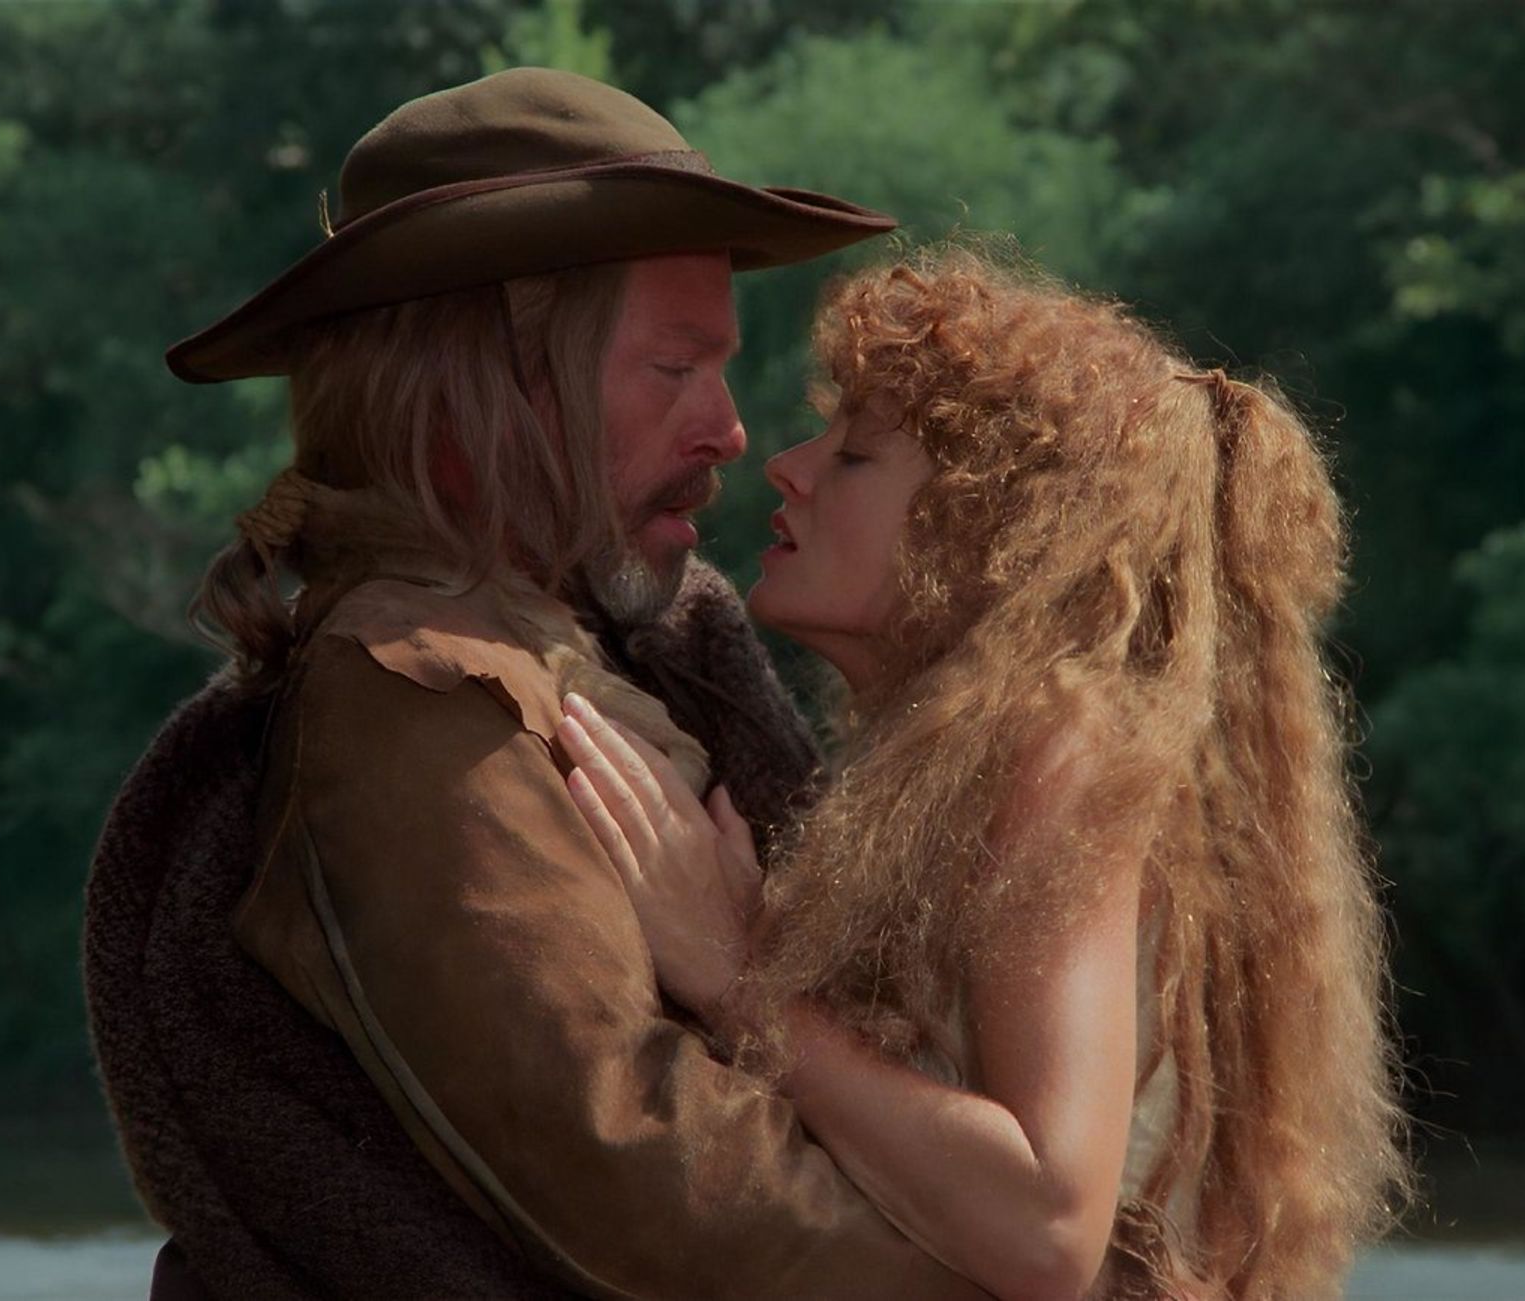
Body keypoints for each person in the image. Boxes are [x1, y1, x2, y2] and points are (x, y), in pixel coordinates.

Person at [83, 69, 993, 1298]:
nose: (730, 431)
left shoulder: (586, 654)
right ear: (493, 383)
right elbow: (657, 1191)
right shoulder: (415, 703)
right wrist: (1033, 1272)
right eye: (673, 368)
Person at [557, 246, 1410, 1299]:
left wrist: (733, 976)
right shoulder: (967, 756)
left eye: (854, 456)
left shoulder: (1057, 746)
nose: (786, 465)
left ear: (986, 530)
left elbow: (1046, 1226)